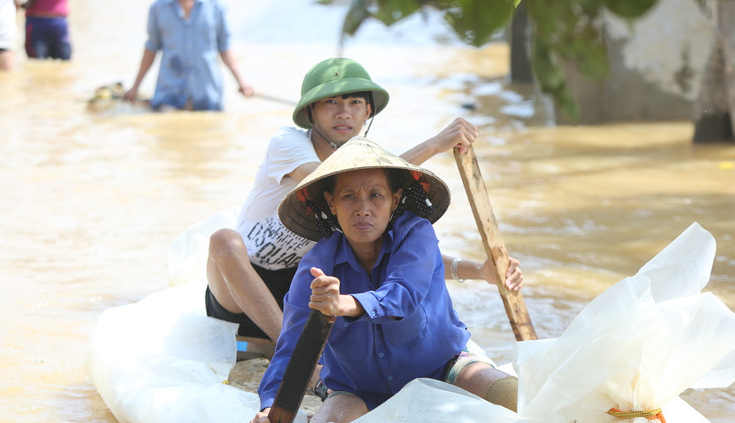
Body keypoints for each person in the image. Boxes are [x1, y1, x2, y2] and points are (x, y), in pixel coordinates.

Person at [205, 57, 522, 362]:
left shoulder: (366, 173)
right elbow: (328, 179)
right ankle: (293, 355)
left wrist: (478, 271)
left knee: (365, 250)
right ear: (311, 113)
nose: (344, 113)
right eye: (332, 103)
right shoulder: (288, 142)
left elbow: (399, 249)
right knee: (224, 240)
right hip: (242, 287)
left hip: (305, 289)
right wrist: (434, 145)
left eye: (355, 103)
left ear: (368, 111)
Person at [248, 137, 520, 423]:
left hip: (441, 365)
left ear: (395, 198)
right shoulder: (315, 267)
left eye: (375, 195)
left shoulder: (417, 234)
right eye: (349, 196)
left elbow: (403, 295)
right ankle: (320, 406)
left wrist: (343, 304)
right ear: (331, 204)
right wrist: (269, 411)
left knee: (509, 396)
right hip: (357, 388)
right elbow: (291, 352)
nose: (363, 208)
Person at [124, 0, 253, 112]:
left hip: (208, 94)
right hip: (169, 93)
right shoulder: (158, 7)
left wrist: (242, 83)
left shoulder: (216, 6)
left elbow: (225, 48)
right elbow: (151, 49)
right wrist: (135, 88)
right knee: (166, 122)